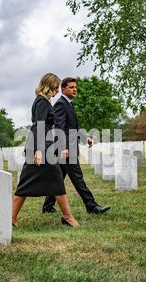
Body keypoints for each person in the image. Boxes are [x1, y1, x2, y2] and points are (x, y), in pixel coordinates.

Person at [13, 73, 79, 228]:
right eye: (56, 87)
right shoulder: (42, 102)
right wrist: (39, 151)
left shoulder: (42, 101)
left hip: (41, 146)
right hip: (41, 147)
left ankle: (12, 217)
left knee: (29, 183)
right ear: (49, 86)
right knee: (49, 180)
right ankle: (68, 217)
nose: (57, 91)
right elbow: (40, 126)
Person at [42, 77, 111, 214]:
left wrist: (86, 138)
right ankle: (91, 206)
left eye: (75, 87)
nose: (75, 90)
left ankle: (47, 207)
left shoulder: (69, 104)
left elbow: (73, 127)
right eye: (71, 87)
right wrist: (64, 148)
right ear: (63, 89)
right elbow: (60, 128)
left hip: (70, 148)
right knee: (78, 178)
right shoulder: (61, 104)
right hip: (67, 149)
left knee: (58, 178)